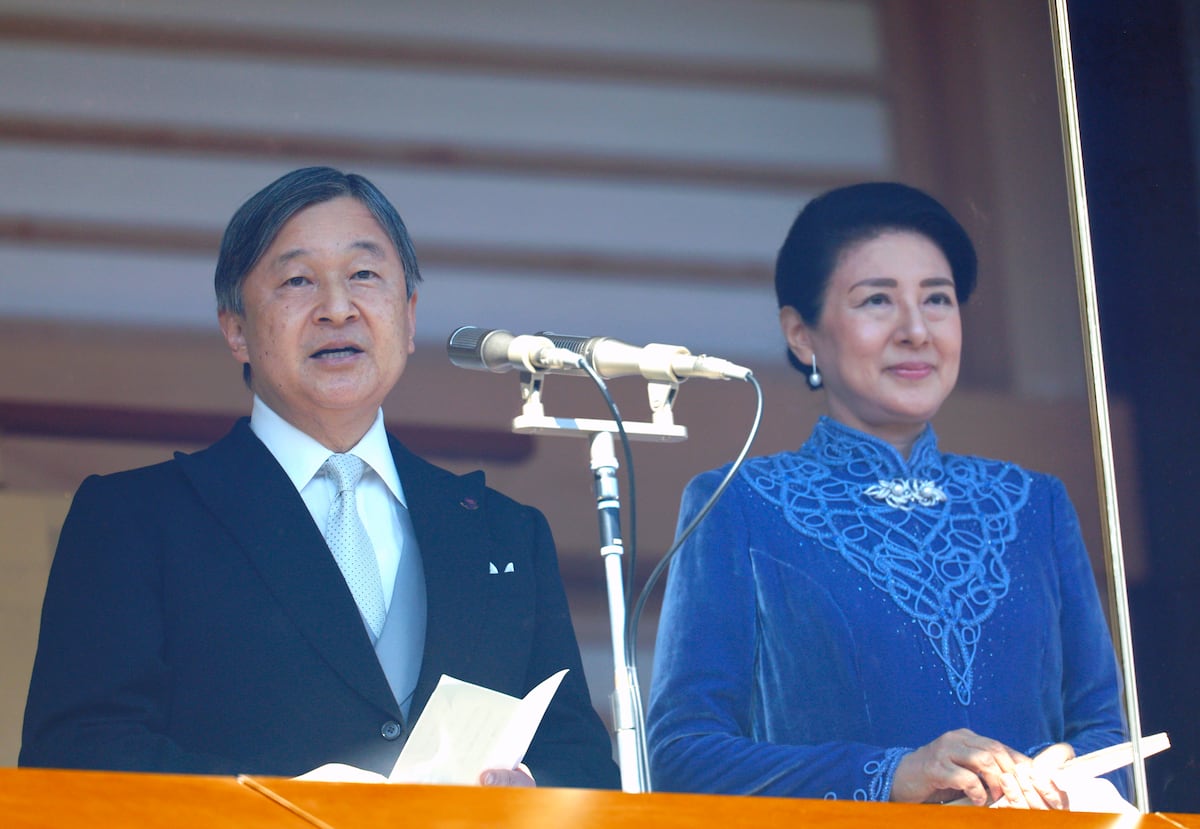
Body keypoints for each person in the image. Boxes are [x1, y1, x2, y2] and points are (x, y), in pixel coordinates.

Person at [20, 166, 619, 790]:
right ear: (236, 328)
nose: (337, 309)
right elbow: (77, 755)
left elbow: (579, 762)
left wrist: (527, 795)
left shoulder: (506, 534)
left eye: (364, 275)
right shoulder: (134, 520)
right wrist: (283, 807)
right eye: (298, 280)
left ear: (409, 316)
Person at [646, 182, 1127, 807]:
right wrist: (893, 775)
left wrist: (1078, 771)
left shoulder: (1033, 503)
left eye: (938, 299)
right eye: (877, 300)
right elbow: (683, 756)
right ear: (801, 333)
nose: (916, 330)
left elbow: (1105, 731)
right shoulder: (739, 503)